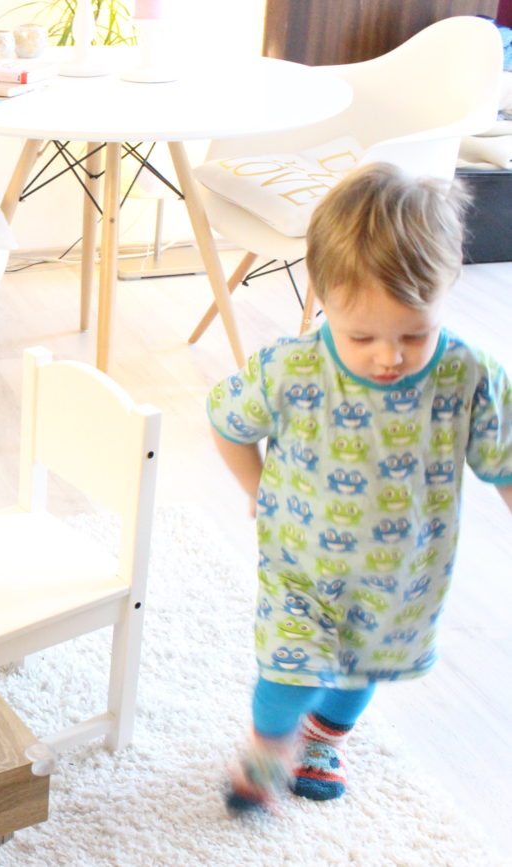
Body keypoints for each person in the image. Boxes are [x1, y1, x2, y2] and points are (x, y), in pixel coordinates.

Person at [205, 162, 512, 813]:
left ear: (448, 288)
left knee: (360, 669)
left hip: (401, 575)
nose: (389, 356)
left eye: (414, 333)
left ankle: (324, 739)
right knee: (287, 671)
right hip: (301, 565)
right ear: (322, 294)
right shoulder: (292, 369)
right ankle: (267, 749)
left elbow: (506, 462)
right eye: (363, 335)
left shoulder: (467, 376)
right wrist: (256, 488)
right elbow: (227, 422)